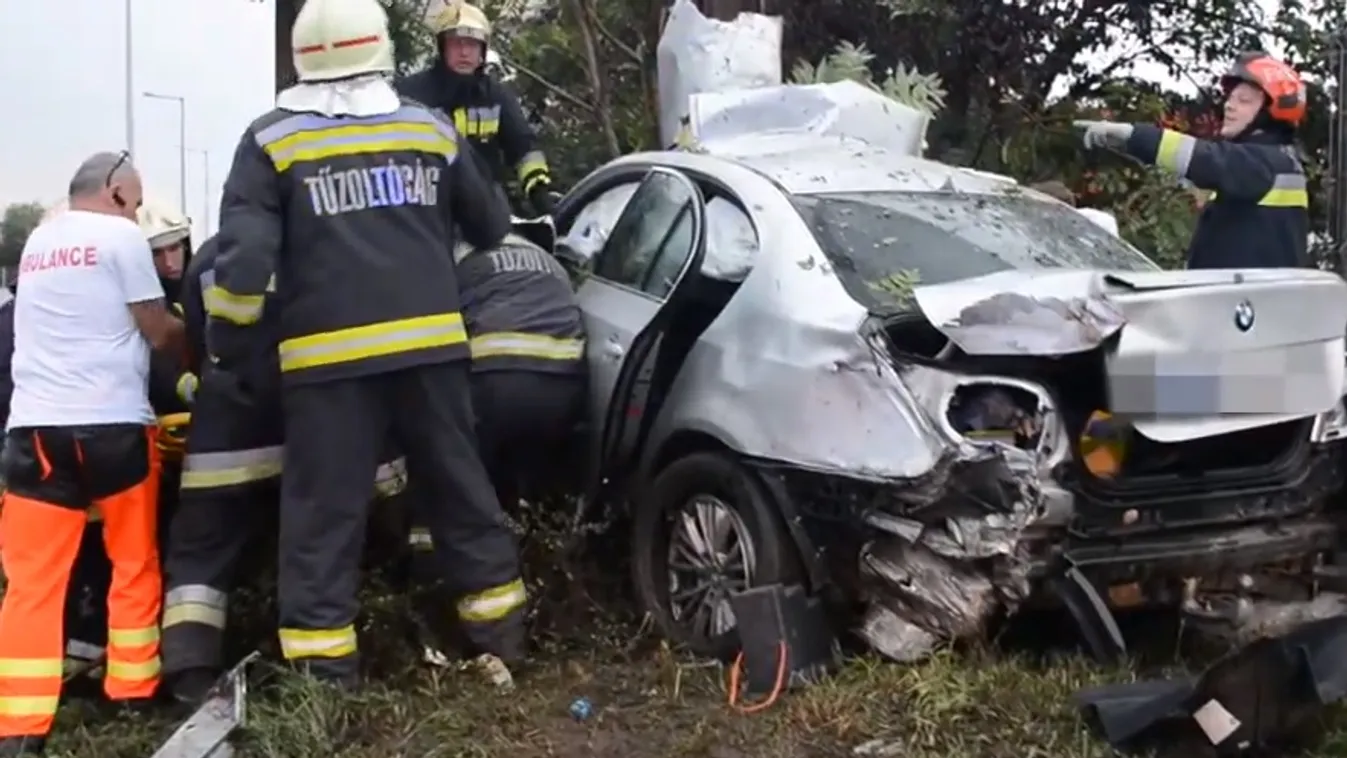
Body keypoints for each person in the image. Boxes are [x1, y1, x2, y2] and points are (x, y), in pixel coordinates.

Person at [205, 0, 524, 689]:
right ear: (380, 51)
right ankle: (501, 636)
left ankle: (325, 678)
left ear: (301, 59)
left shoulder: (271, 139)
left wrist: (227, 346)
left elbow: (243, 263)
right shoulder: (430, 128)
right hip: (432, 352)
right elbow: (493, 225)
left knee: (323, 516)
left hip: (327, 365)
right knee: (460, 491)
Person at [160, 234, 410, 705]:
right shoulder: (331, 245)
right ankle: (349, 651)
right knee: (333, 545)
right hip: (311, 423)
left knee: (200, 556)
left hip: (227, 435)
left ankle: (190, 673)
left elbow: (199, 348)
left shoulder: (210, 260)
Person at [0, 152, 184, 756]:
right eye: (131, 199)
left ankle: (20, 728)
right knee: (132, 559)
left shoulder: (38, 241)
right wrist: (190, 334)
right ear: (113, 192)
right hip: (112, 428)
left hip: (34, 435)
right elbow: (154, 331)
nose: (132, 209)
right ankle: (131, 691)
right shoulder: (119, 237)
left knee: (31, 583)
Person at [403, 221, 586, 657]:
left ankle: (435, 594)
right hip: (564, 390)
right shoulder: (548, 262)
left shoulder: (456, 256)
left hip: (493, 381)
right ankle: (543, 574)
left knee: (452, 485)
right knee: (511, 485)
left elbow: (432, 336)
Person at [1075, 51, 1310, 269]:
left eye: (1244, 100)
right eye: (1230, 98)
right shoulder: (1278, 161)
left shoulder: (1262, 162)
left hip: (1246, 307)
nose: (1229, 106)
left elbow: (1204, 159)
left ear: (1270, 114)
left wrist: (1133, 136)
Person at [396, 0, 556, 217]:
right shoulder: (411, 94)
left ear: (483, 49)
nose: (464, 52)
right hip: (427, 210)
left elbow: (523, 147)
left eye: (471, 44)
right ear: (441, 47)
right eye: (456, 43)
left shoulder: (495, 95)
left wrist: (540, 194)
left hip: (485, 211)